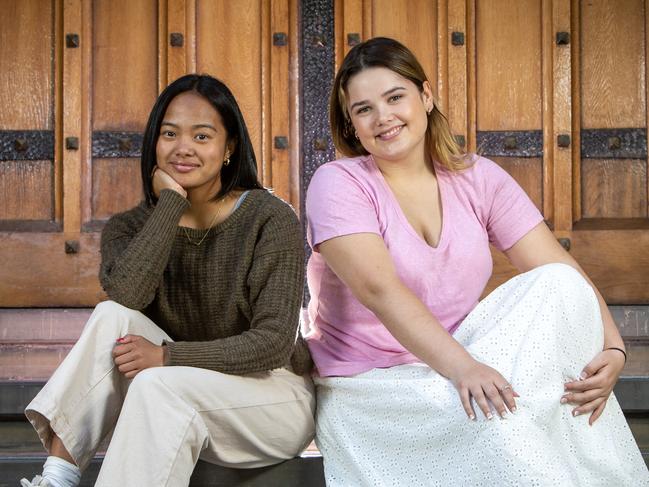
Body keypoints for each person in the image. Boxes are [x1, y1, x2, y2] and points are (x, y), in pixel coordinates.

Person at [303, 37, 648, 486]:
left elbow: (559, 269)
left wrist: (614, 349)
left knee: (556, 284)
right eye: (363, 109)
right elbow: (379, 291)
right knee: (512, 430)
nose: (383, 117)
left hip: (462, 365)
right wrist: (464, 368)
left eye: (395, 97)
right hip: (377, 387)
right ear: (351, 125)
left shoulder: (476, 176)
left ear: (425, 97)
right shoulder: (338, 183)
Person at [21, 74, 315, 487]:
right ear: (154, 144)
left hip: (272, 397)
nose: (184, 148)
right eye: (170, 134)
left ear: (229, 147)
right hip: (184, 384)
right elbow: (128, 294)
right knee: (112, 316)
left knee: (159, 385)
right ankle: (57, 478)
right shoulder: (132, 227)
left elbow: (272, 344)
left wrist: (168, 357)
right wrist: (171, 205)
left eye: (202, 136)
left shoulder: (269, 220)